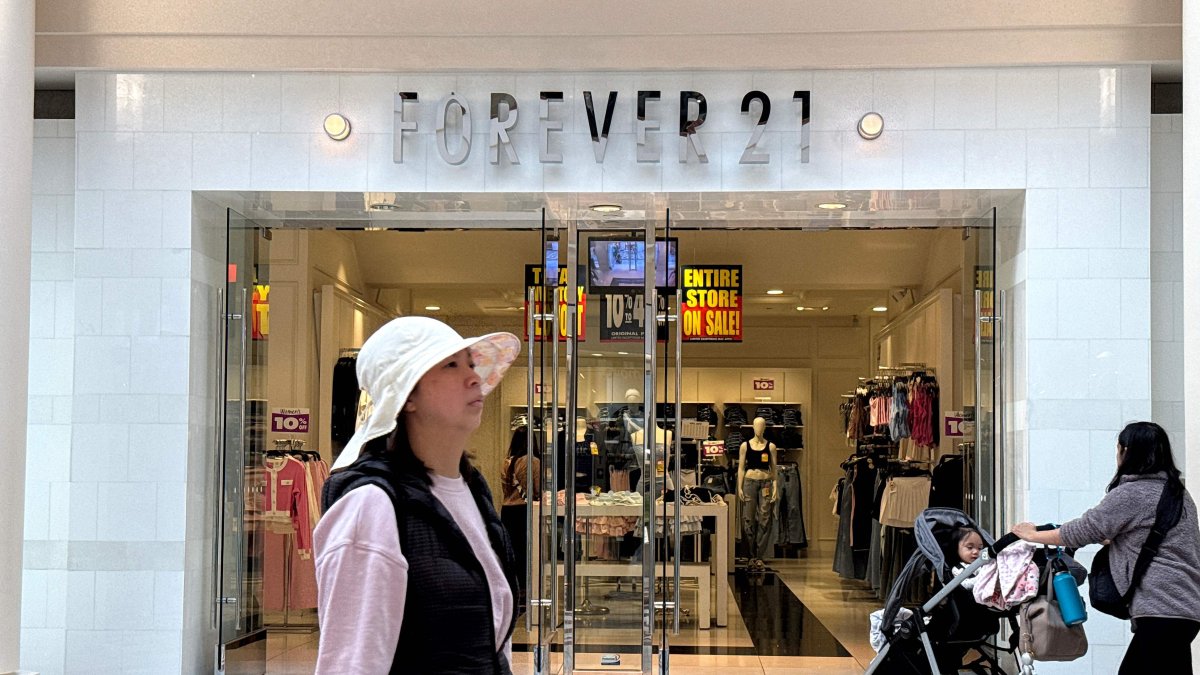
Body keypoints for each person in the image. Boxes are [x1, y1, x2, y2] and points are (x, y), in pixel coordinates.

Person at [313, 316, 521, 674]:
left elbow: (491, 644)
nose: (474, 378)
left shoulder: (472, 491)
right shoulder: (372, 505)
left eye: (470, 363)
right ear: (407, 396)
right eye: (451, 365)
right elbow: (353, 661)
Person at [1011, 421, 1200, 674]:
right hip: (1184, 607)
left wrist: (1033, 534)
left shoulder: (1132, 493)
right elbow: (1171, 542)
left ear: (1125, 450)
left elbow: (1082, 530)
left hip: (1160, 608)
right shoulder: (1179, 494)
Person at [499, 425, 540, 609]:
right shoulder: (532, 462)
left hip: (507, 509)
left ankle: (514, 587)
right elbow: (536, 490)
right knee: (527, 550)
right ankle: (526, 588)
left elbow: (505, 489)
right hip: (524, 509)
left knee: (512, 551)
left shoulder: (507, 462)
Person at [737, 417, 778, 572]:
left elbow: (774, 469)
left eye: (761, 425)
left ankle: (759, 556)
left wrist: (776, 486)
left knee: (765, 519)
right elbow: (741, 468)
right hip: (749, 482)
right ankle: (750, 556)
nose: (759, 428)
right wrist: (739, 487)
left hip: (766, 483)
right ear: (753, 427)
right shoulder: (745, 446)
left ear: (765, 427)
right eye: (756, 426)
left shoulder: (771, 447)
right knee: (748, 518)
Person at [946, 525, 986, 590]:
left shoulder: (984, 564)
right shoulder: (957, 569)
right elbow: (965, 584)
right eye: (970, 547)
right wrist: (983, 578)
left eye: (980, 548)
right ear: (956, 548)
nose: (976, 551)